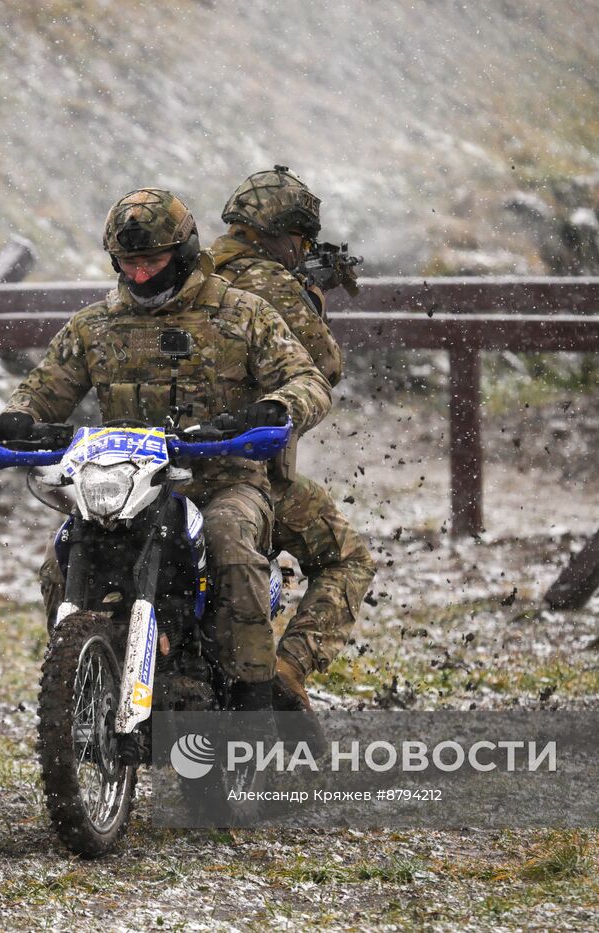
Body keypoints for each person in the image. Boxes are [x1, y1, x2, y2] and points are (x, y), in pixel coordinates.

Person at [0, 188, 332, 711]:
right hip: (126, 483)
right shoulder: (94, 325)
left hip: (224, 480)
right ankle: (80, 686)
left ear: (186, 249)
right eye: (129, 263)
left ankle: (254, 692)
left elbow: (308, 379)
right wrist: (19, 418)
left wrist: (276, 408)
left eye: (153, 260)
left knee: (230, 544)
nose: (141, 274)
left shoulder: (242, 313)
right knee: (59, 563)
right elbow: (44, 388)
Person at [209, 166, 377, 720]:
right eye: (300, 239)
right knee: (349, 557)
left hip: (166, 464)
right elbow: (323, 367)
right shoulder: (272, 284)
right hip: (248, 473)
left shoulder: (198, 271)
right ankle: (287, 668)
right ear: (284, 233)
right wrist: (309, 296)